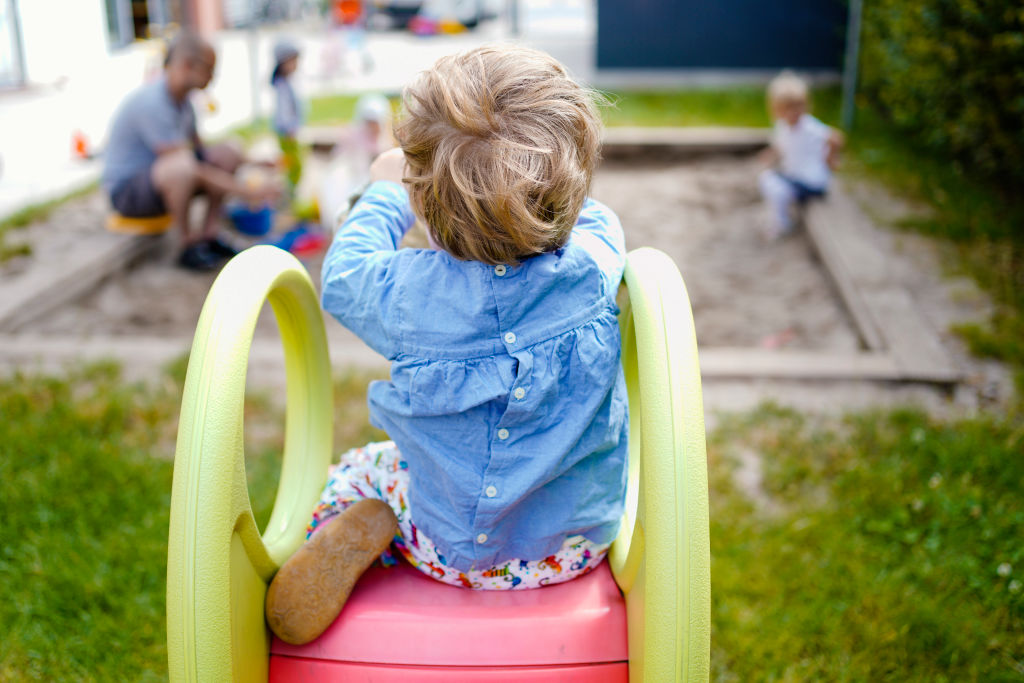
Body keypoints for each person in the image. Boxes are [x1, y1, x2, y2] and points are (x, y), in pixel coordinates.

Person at [264, 45, 628, 645]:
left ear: (423, 204)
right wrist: (528, 204)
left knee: (363, 470)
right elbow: (595, 216)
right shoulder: (592, 263)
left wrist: (384, 192)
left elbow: (345, 275)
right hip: (576, 546)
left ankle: (363, 526)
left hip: (445, 547)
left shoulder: (410, 294)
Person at [102, 32, 276, 271]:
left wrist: (254, 162)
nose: (213, 77)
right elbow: (190, 167)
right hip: (128, 193)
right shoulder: (152, 103)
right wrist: (245, 191)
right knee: (181, 167)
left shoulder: (184, 103)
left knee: (229, 150)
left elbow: (202, 153)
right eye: (210, 69)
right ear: (187, 65)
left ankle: (209, 235)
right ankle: (187, 245)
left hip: (161, 179)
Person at [758, 70, 844, 239]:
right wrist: (770, 155)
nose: (795, 112)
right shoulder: (782, 126)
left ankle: (782, 223)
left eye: (799, 106)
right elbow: (781, 146)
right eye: (789, 108)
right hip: (797, 178)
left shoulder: (809, 126)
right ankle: (781, 216)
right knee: (769, 179)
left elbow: (836, 138)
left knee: (770, 183)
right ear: (777, 110)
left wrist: (830, 159)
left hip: (812, 182)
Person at [271, 40, 304, 193]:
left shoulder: (288, 81)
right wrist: (289, 127)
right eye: (294, 60)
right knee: (293, 164)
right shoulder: (282, 85)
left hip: (290, 130)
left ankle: (292, 191)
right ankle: (290, 192)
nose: (296, 64)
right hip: (287, 132)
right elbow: (283, 109)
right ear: (284, 62)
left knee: (295, 162)